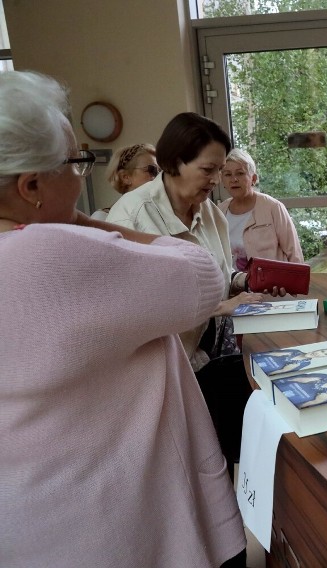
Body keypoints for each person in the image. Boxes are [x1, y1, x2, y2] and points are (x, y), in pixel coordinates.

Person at [0, 71, 246, 567]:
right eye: (75, 163)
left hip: (29, 519)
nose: (83, 175)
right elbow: (199, 275)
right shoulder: (47, 253)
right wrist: (83, 222)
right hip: (121, 521)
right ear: (30, 186)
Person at [107, 112, 273, 472]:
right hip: (159, 370)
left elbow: (220, 271)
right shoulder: (131, 218)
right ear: (173, 163)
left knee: (226, 457)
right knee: (186, 467)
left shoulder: (209, 212)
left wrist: (245, 282)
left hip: (206, 356)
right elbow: (135, 312)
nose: (216, 181)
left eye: (221, 170)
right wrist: (221, 305)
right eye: (208, 170)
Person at [219, 148, 303, 271]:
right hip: (233, 286)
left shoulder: (273, 207)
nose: (234, 179)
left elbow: (294, 254)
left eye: (240, 173)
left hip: (271, 286)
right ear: (222, 180)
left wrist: (296, 286)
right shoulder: (219, 211)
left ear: (253, 179)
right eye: (228, 174)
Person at [91, 143, 160, 221]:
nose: (158, 176)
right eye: (151, 170)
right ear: (125, 177)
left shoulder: (159, 215)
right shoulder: (102, 218)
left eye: (159, 171)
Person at [253, 346, 327, 376]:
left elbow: (283, 371)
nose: (319, 354)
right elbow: (271, 354)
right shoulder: (296, 351)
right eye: (323, 351)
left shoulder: (306, 363)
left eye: (325, 355)